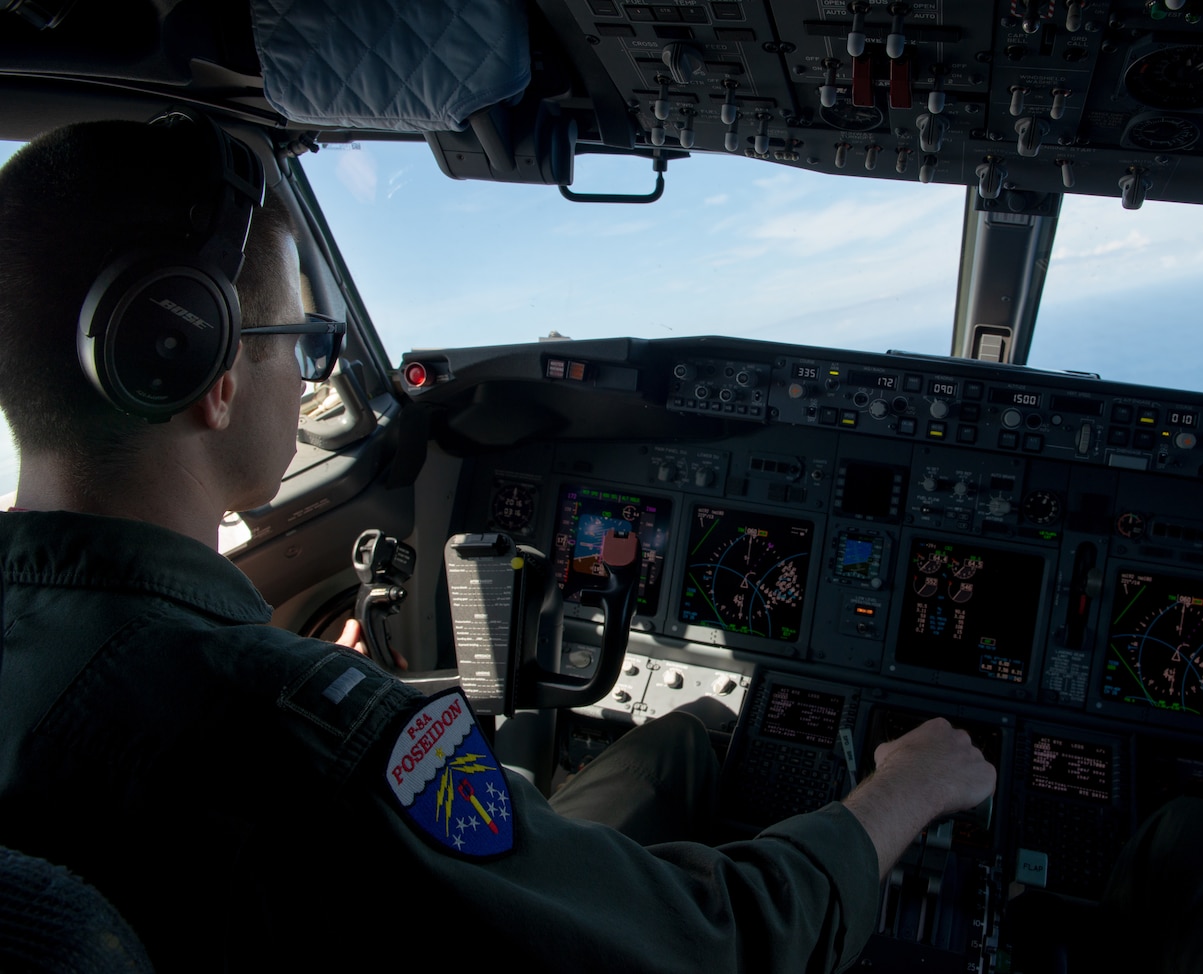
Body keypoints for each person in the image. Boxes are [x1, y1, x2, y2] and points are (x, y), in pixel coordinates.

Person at [0, 117, 996, 971]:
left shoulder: (225, 698)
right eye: (303, 342)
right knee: (687, 738)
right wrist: (900, 791)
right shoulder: (291, 732)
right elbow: (712, 945)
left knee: (660, 742)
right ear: (204, 369)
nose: (308, 378)